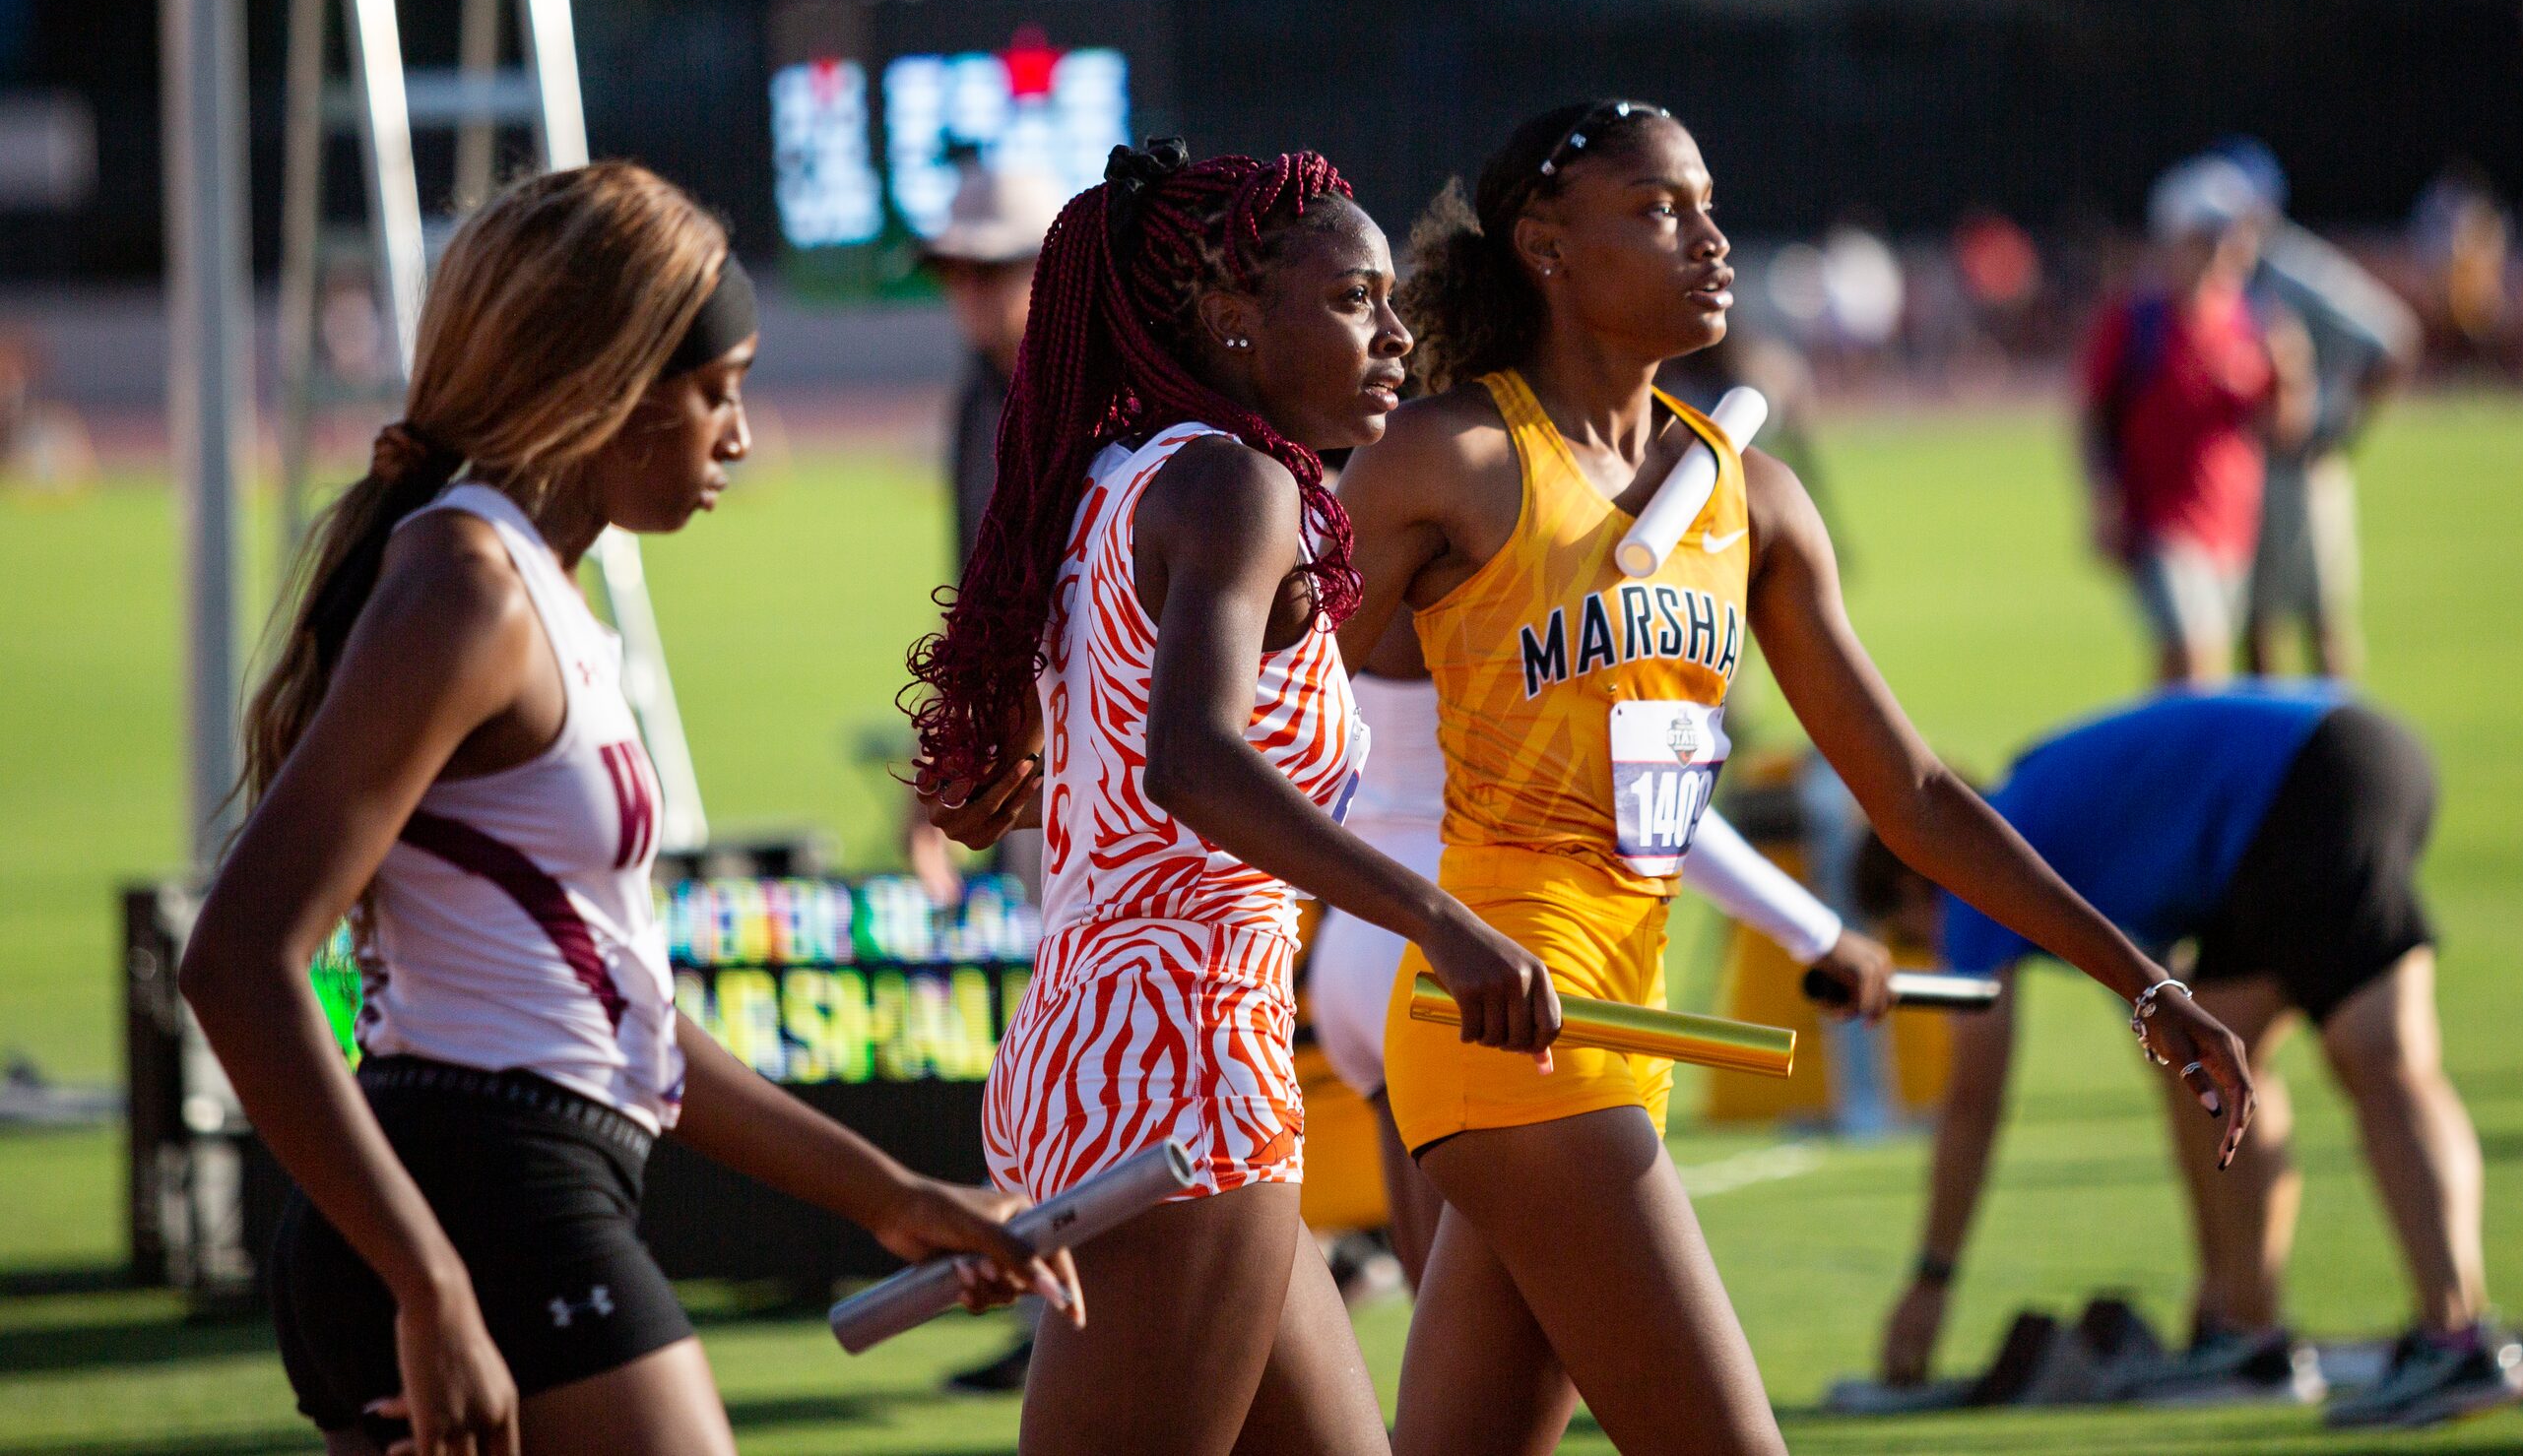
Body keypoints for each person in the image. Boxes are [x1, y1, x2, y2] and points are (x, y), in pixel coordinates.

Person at [1335, 99, 2258, 1456]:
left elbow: (1918, 796)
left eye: (1709, 204)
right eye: (1658, 209)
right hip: (1511, 1029)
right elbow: (1240, 709)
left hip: (1624, 1021)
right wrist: (1409, 919)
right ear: (1544, 245)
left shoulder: (1748, 497)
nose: (1710, 240)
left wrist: (2143, 977)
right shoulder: (1449, 460)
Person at [179, 163, 1074, 1456]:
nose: (741, 433)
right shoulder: (469, 588)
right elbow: (236, 958)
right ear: (601, 381)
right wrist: (435, 1287)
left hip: (506, 1193)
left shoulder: (540, 591)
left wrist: (892, 1195)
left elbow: (627, 1017)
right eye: (714, 390)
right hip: (485, 1208)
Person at [904, 139, 1558, 1456]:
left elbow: (1112, 774)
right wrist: (1438, 918)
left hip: (1127, 1036)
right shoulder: (1235, 484)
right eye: (1351, 299)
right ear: (1232, 319)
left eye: (1390, 299)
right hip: (1178, 1063)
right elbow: (1191, 762)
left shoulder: (1123, 476)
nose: (1394, 331)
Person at [1857, 685, 2523, 1430]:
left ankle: (2456, 1337)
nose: (1939, 947)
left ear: (1910, 879)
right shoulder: (2037, 806)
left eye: (1914, 933)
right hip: (2341, 761)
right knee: (2207, 1071)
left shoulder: (1968, 864)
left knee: (2380, 1055)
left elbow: (1974, 1102)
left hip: (2306, 782)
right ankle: (2245, 1332)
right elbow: (2164, 1003)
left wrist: (1931, 1281)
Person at [1307, 602, 1885, 1287]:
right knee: (1567, 1315)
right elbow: (1638, 798)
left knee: (1457, 1334)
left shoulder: (1342, 537)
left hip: (1357, 947)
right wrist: (1814, 931)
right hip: (1474, 950)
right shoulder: (1510, 551)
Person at [2081, 156, 2314, 684]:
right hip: (2163, 523)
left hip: (2233, 522)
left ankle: (2156, 765)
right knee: (2195, 659)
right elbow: (2094, 419)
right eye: (2211, 237)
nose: (2227, 251)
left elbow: (2283, 434)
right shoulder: (2136, 319)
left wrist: (2293, 374)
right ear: (2176, 239)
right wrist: (2102, 501)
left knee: (2180, 679)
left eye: (2235, 237)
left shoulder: (2256, 321)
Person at [2210, 140, 2421, 679]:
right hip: (2240, 467)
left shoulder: (2294, 268)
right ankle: (2275, 753)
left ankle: (2338, 742)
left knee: (2319, 616)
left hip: (2298, 468)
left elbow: (2393, 337)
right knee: (2252, 625)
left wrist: (2336, 425)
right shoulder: (2218, 276)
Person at [907, 163, 1057, 911]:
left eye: (990, 269)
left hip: (1122, 745)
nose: (967, 290)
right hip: (1036, 745)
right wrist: (938, 758)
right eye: (952, 270)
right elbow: (979, 599)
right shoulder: (980, 393)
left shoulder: (1091, 398)